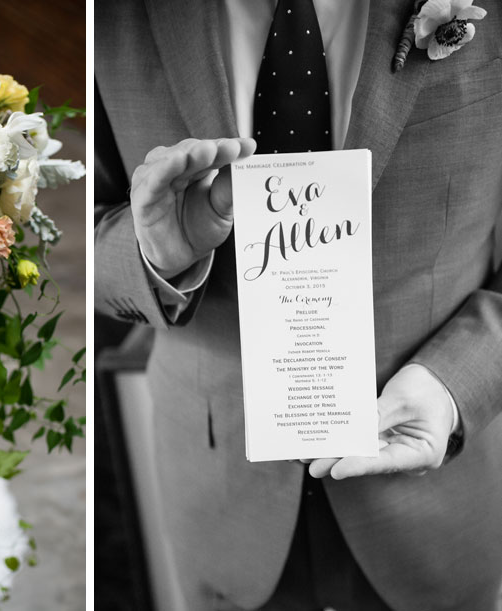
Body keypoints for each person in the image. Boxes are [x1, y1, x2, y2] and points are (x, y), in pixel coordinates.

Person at [95, 1, 502, 609]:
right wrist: (151, 251)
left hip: (436, 505)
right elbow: (69, 242)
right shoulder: (109, 19)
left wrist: (456, 382)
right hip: (218, 499)